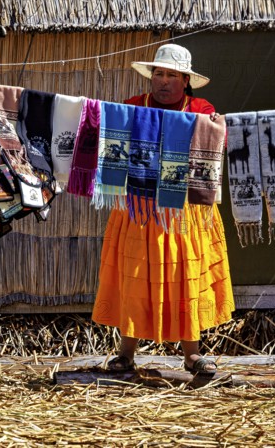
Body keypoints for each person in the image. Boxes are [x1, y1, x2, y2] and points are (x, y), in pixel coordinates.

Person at [92, 43, 234, 374]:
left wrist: (213, 128)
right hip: (138, 209)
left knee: (185, 274)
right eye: (159, 74)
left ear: (185, 80)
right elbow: (109, 137)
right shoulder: (131, 108)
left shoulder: (200, 109)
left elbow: (219, 143)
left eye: (172, 75)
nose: (164, 81)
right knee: (134, 275)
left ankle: (192, 354)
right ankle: (126, 351)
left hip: (184, 212)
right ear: (151, 77)